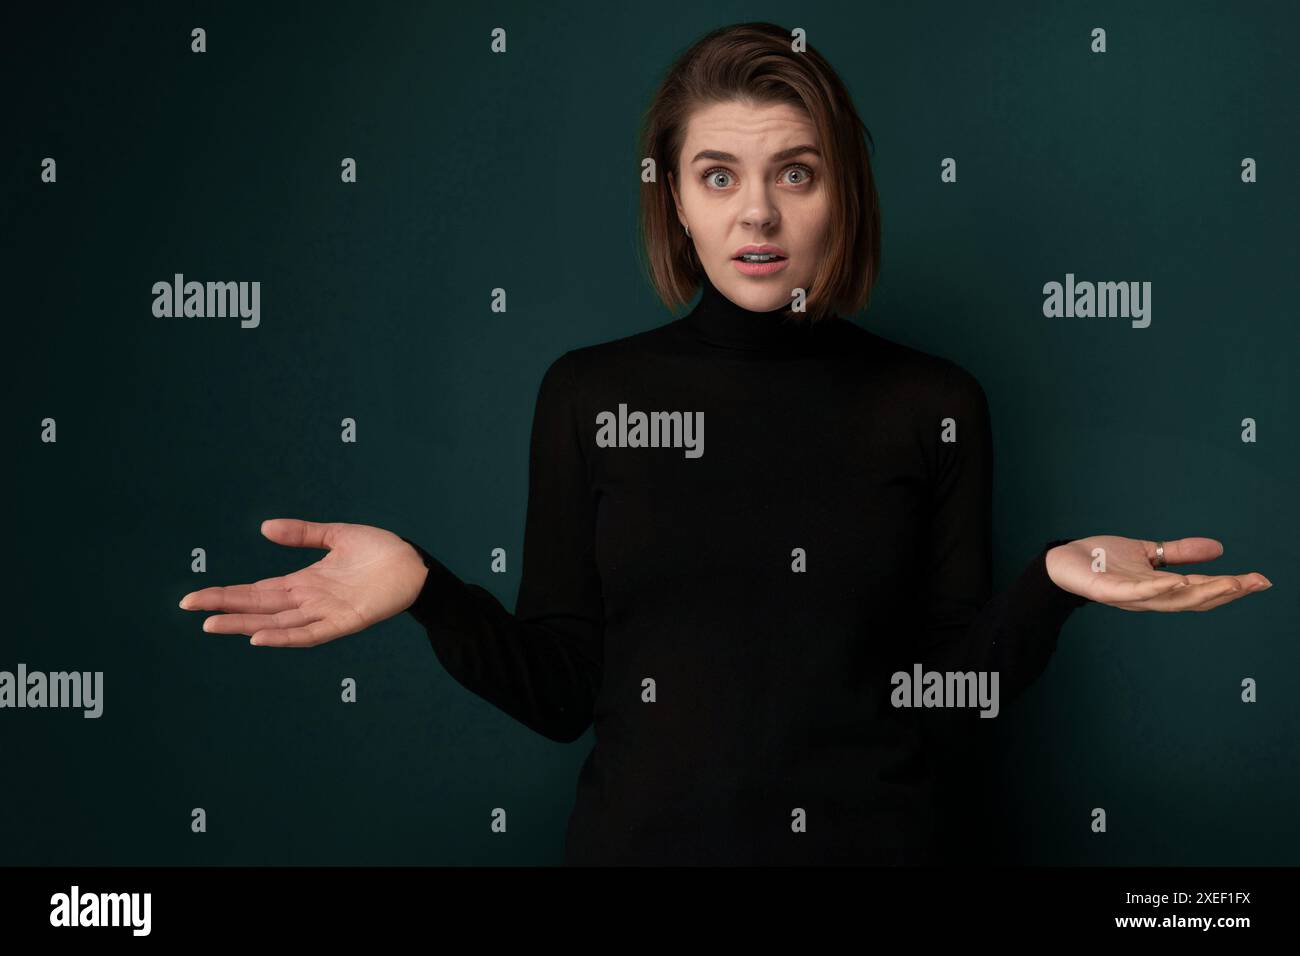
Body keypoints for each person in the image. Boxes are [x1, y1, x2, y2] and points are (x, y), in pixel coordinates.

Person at [178, 22, 1270, 865]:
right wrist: (426, 589)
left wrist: (1049, 584)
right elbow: (564, 694)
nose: (757, 213)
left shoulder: (932, 400)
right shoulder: (589, 393)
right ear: (677, 204)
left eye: (794, 171)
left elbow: (940, 708)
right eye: (718, 175)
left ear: (842, 194)